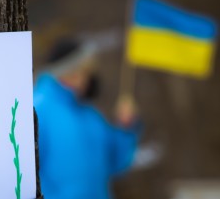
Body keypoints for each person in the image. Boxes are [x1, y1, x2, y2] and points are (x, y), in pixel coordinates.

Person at [34, 38, 143, 199]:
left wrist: (125, 129)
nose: (90, 77)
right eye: (86, 69)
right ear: (70, 71)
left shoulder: (91, 115)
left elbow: (114, 164)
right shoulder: (38, 108)